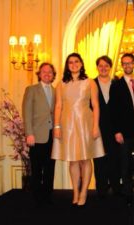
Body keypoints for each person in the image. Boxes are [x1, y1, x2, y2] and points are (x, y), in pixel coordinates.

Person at [51, 53, 105, 206]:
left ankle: (84, 192)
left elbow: (95, 106)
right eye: (70, 62)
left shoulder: (90, 83)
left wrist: (95, 126)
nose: (74, 64)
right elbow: (58, 106)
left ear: (81, 64)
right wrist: (57, 126)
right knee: (73, 160)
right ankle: (75, 191)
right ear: (67, 66)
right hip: (67, 124)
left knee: (85, 159)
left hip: (85, 123)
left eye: (76, 62)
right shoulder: (61, 84)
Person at [109, 53, 134, 206]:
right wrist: (116, 131)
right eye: (124, 63)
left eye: (130, 63)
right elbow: (113, 110)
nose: (127, 66)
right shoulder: (116, 85)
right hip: (124, 129)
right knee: (125, 162)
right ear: (121, 65)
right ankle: (127, 193)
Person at [22, 62, 56, 206]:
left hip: (52, 136)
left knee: (50, 169)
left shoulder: (56, 91)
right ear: (39, 74)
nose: (47, 74)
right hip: (36, 136)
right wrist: (29, 133)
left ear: (53, 75)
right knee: (37, 169)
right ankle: (37, 199)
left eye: (50, 72)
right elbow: (26, 113)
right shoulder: (31, 90)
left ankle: (47, 197)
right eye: (44, 72)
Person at [93, 55, 121, 198]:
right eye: (100, 65)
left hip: (115, 129)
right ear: (97, 67)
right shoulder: (90, 84)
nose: (103, 68)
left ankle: (116, 188)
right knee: (99, 160)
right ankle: (101, 190)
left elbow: (122, 108)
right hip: (97, 128)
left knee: (115, 159)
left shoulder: (117, 83)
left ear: (110, 67)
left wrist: (120, 130)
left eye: (106, 65)